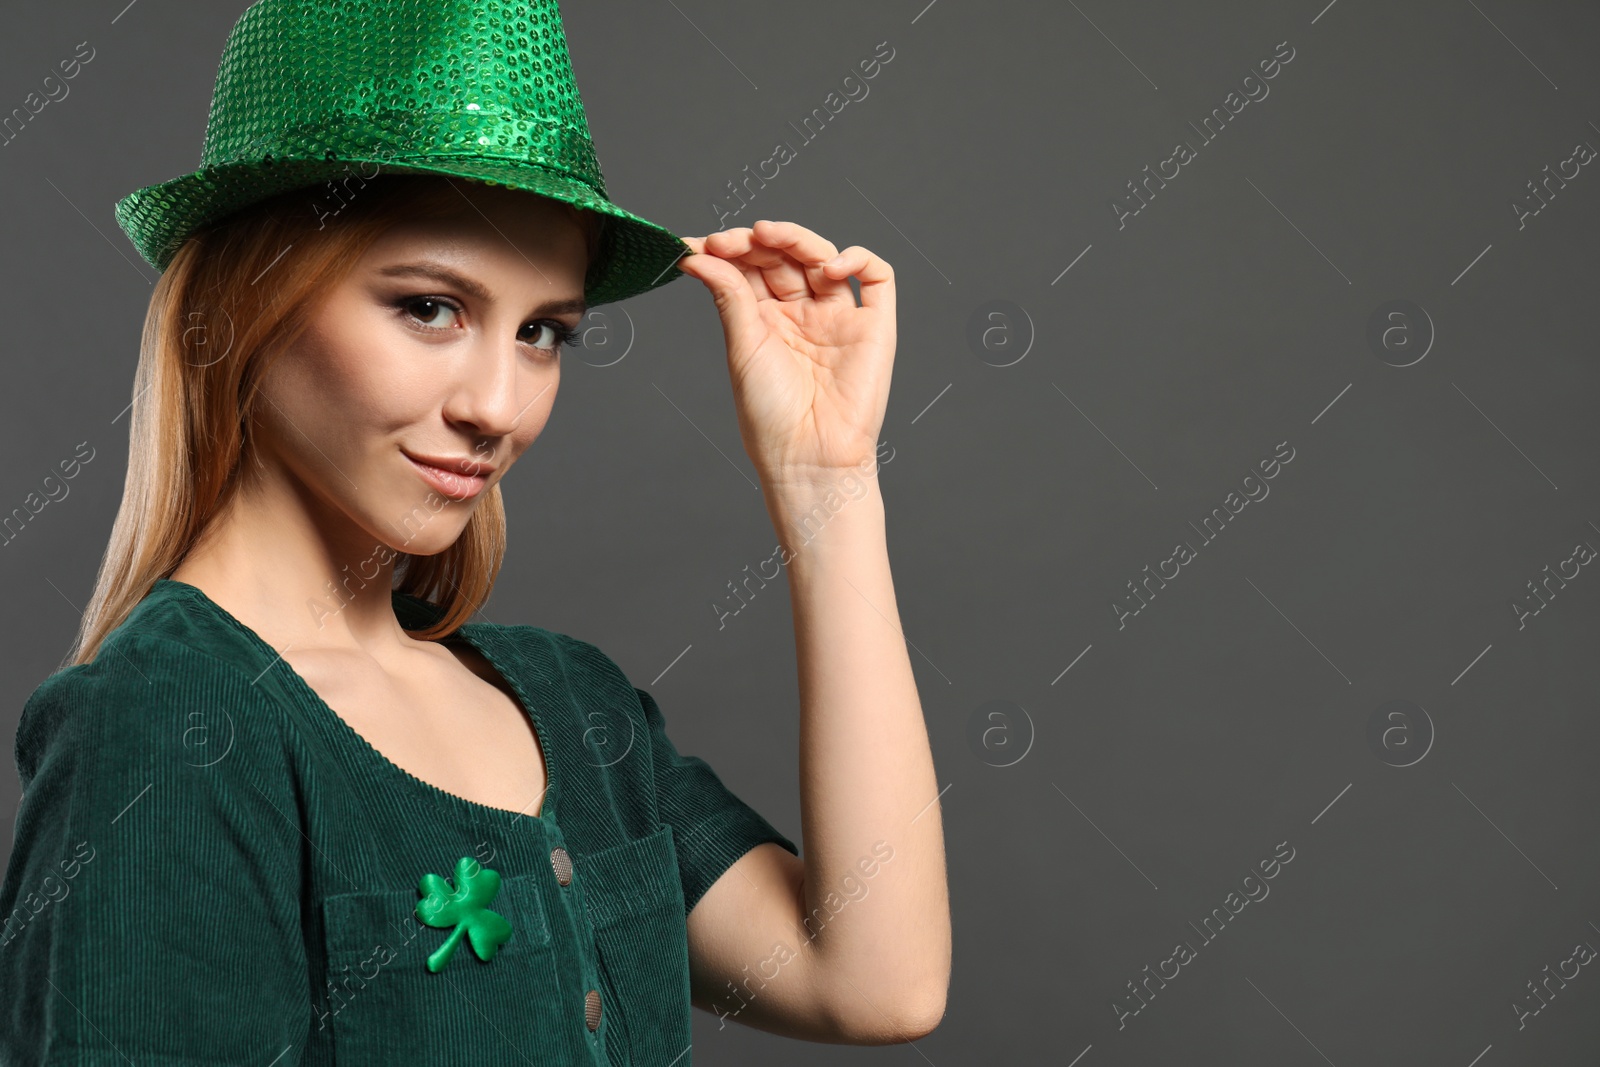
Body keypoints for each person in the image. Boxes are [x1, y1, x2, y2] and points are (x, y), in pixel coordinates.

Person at [0, 0, 950, 1063]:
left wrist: (827, 482)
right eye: (429, 306)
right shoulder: (167, 723)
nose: (499, 405)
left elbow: (876, 980)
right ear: (243, 304)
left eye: (543, 331)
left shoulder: (578, 706)